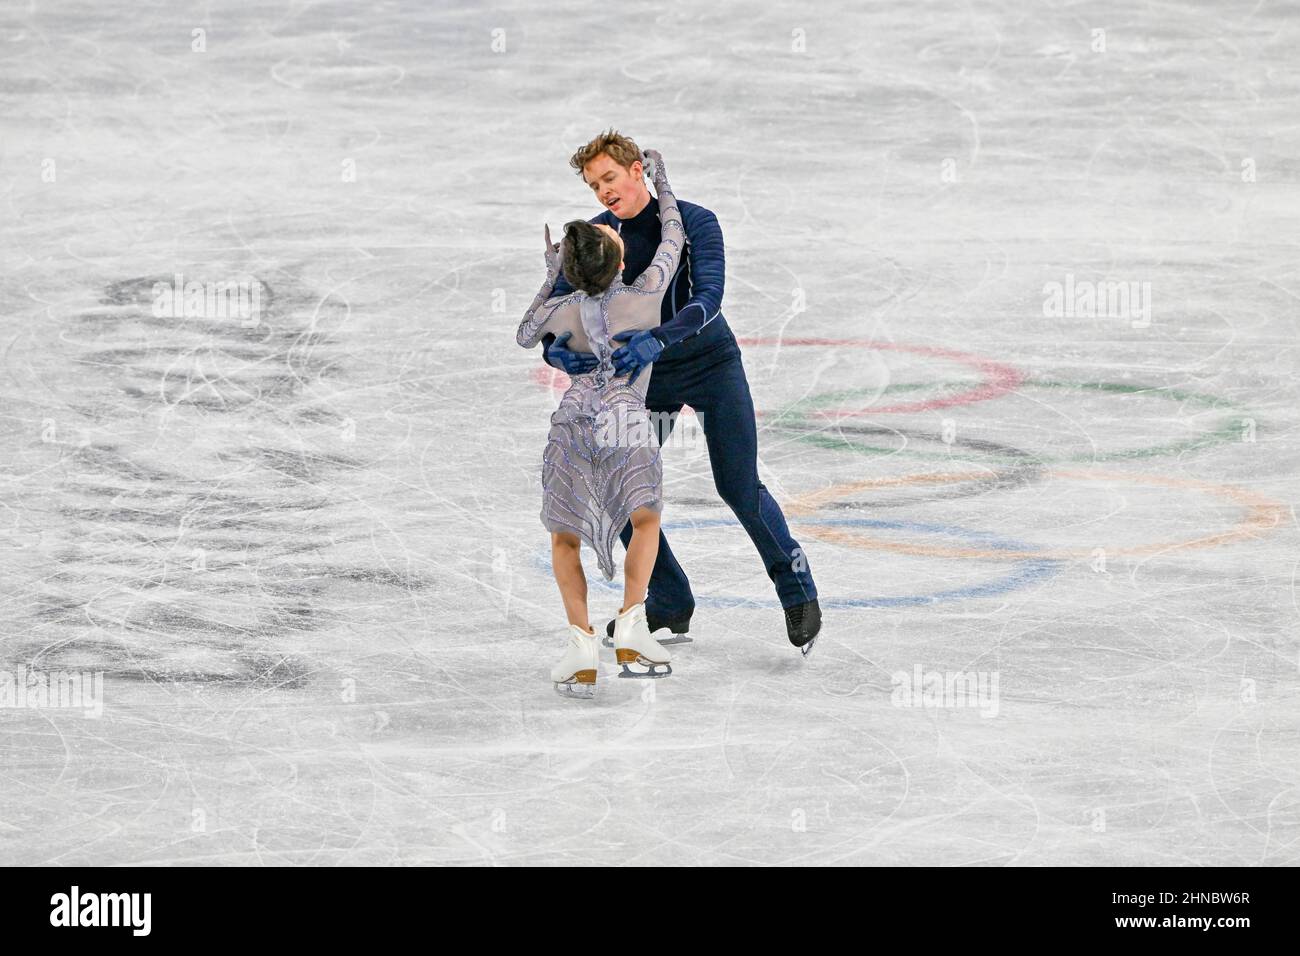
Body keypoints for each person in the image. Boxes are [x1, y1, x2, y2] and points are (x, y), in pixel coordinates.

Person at [539, 130, 821, 654]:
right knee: (622, 494)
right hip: (648, 386)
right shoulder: (598, 238)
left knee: (738, 486)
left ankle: (797, 589)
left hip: (711, 367)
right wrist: (558, 352)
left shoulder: (693, 222)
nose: (603, 192)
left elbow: (707, 298)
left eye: (609, 178)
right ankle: (669, 601)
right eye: (594, 185)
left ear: (637, 170)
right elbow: (559, 318)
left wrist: (658, 338)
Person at [517, 148, 681, 699]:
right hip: (626, 422)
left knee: (565, 538)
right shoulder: (646, 295)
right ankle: (633, 627)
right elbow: (672, 240)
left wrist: (552, 275)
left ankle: (582, 644)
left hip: (572, 426)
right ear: (616, 259)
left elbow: (524, 333)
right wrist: (664, 182)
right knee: (646, 521)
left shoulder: (560, 311)